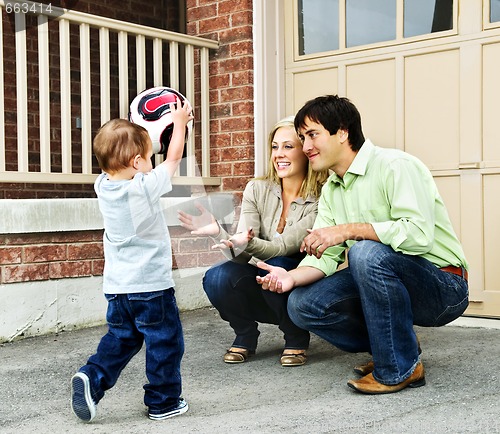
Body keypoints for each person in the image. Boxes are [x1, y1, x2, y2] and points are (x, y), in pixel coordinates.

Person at [256, 95, 469, 394]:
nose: (305, 147)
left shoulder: (395, 166)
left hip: (444, 285)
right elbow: (324, 257)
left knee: (365, 252)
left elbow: (419, 236)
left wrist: (348, 230)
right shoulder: (332, 189)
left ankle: (397, 369)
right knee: (303, 305)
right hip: (387, 278)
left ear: (342, 131)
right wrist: (289, 277)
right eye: (302, 138)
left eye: (313, 135)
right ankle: (397, 349)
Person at [70, 98, 194, 422]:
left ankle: (92, 376)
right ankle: (164, 401)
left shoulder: (103, 186)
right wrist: (178, 122)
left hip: (117, 289)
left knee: (121, 339)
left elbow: (121, 160)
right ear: (137, 162)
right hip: (152, 287)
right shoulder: (143, 187)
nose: (154, 161)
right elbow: (176, 157)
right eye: (150, 156)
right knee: (164, 342)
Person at [178, 116, 328, 366]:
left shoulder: (322, 196)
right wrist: (220, 234)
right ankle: (245, 334)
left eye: (288, 146)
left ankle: (295, 336)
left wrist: (244, 243)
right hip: (262, 270)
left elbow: (281, 248)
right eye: (275, 146)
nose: (279, 154)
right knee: (216, 277)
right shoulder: (256, 189)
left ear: (306, 151)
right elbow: (242, 250)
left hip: (300, 276)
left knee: (279, 263)